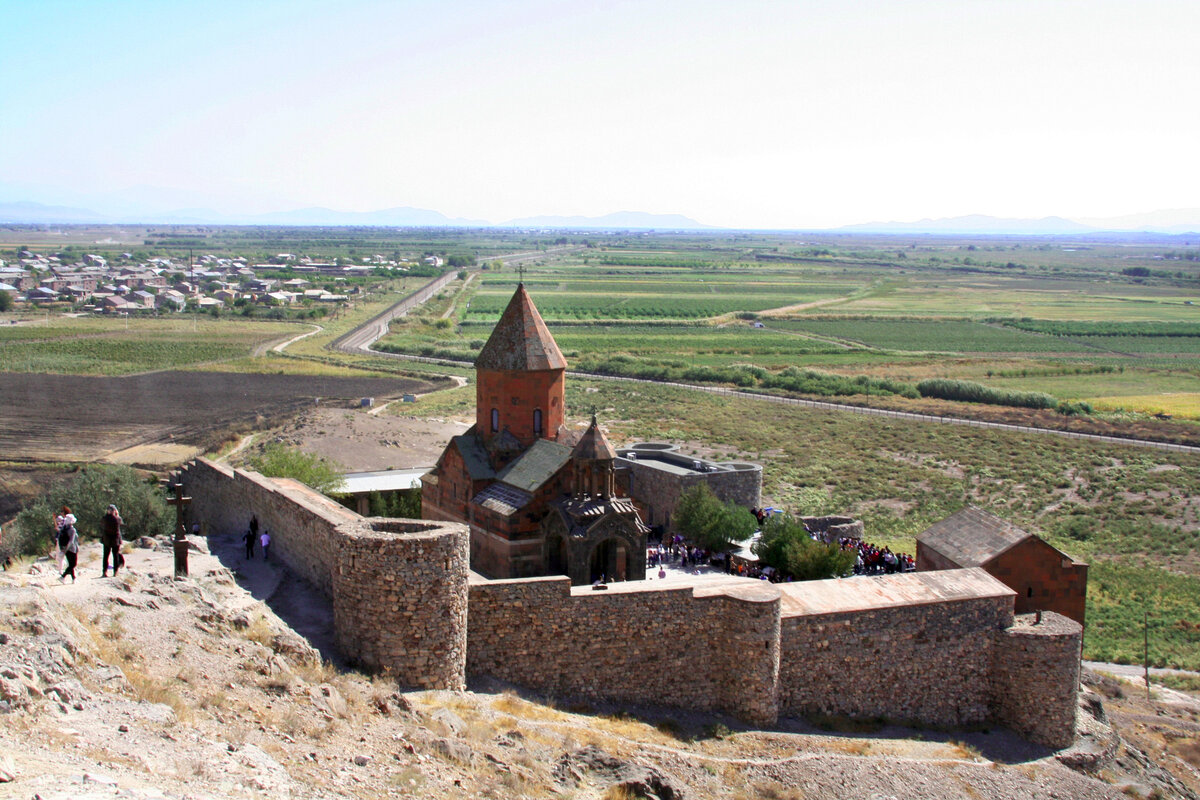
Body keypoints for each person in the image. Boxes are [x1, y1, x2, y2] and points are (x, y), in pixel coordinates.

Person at [57, 507, 78, 583]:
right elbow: (71, 541)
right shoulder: (72, 530)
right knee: (73, 564)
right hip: (72, 549)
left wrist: (63, 549)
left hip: (65, 549)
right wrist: (67, 548)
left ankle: (74, 579)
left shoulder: (64, 528)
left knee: (70, 564)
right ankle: (63, 577)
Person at [101, 504, 122, 577]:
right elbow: (120, 523)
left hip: (106, 539)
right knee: (115, 556)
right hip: (115, 540)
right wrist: (117, 514)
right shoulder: (117, 519)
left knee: (105, 556)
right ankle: (115, 571)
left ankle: (104, 571)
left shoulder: (104, 518)